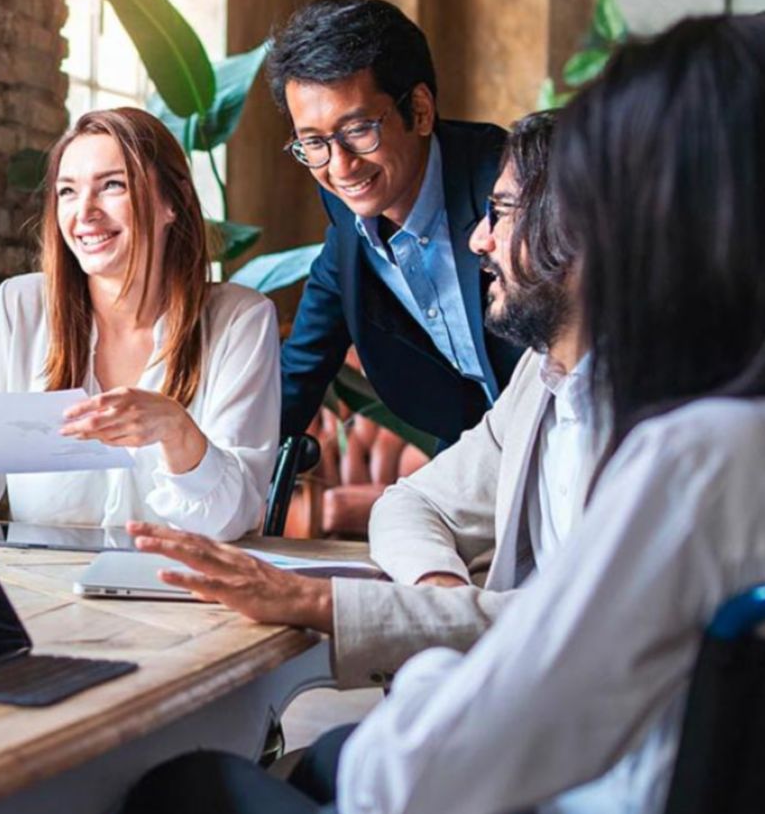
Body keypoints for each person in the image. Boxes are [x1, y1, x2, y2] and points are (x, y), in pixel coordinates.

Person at [77, 12, 765, 814]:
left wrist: (438, 666)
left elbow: (410, 797)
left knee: (186, 804)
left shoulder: (703, 458)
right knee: (310, 778)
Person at [127, 112, 595, 690]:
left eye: (500, 213)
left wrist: (312, 601)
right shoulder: (541, 380)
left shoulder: (667, 428)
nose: (480, 237)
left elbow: (581, 627)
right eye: (311, 143)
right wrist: (437, 593)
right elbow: (407, 504)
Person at [0, 107, 279, 539]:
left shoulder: (240, 321)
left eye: (112, 185)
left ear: (174, 201)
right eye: (68, 192)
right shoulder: (18, 308)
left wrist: (176, 430)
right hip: (40, 595)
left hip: (181, 598)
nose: (85, 212)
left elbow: (234, 518)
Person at [272, 0, 524, 448]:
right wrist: (217, 478)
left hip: (576, 446)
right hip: (476, 453)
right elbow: (299, 373)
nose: (341, 166)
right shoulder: (349, 216)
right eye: (314, 142)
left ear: (421, 111)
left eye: (358, 129)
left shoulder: (510, 187)